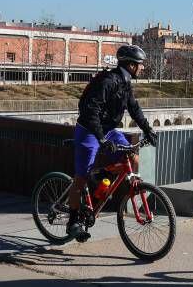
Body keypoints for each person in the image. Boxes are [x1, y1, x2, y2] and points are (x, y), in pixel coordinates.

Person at [66, 44, 158, 241]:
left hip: (108, 130)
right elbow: (90, 112)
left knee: (132, 160)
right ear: (131, 65)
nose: (142, 68)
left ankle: (103, 175)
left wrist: (148, 129)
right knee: (81, 178)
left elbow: (134, 108)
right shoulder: (108, 81)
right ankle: (73, 221)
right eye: (140, 65)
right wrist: (100, 138)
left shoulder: (125, 83)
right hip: (89, 131)